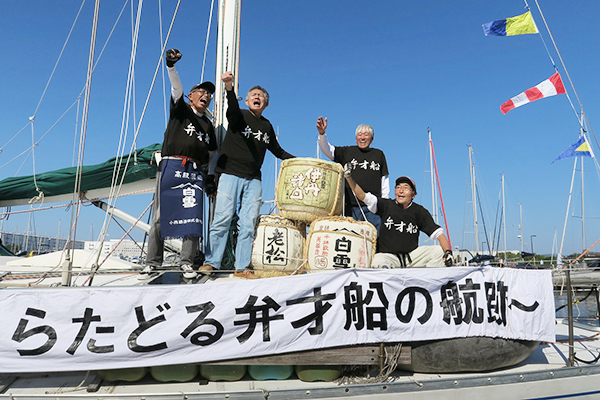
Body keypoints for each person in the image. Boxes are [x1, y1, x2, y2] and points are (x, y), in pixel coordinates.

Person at [199, 71, 295, 279]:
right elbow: (231, 109)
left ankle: (242, 267)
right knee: (222, 219)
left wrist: (299, 161)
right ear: (248, 100)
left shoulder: (267, 126)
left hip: (253, 179)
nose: (257, 97)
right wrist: (229, 88)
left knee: (248, 223)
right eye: (254, 95)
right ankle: (211, 262)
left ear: (266, 104)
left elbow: (278, 151)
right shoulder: (239, 116)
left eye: (261, 96)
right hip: (230, 174)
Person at [140, 48, 217, 280]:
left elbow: (213, 152)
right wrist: (171, 66)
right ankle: (152, 262)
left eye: (209, 94)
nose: (206, 95)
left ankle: (187, 262)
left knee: (193, 219)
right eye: (201, 91)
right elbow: (176, 89)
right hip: (172, 166)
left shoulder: (209, 127)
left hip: (194, 172)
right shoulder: (181, 110)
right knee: (159, 217)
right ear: (191, 96)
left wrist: (210, 176)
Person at [345, 169, 453, 268]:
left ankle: (428, 286)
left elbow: (439, 234)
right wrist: (349, 177)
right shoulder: (385, 205)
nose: (401, 191)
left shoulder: (419, 211)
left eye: (406, 188)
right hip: (389, 256)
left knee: (439, 252)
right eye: (398, 187)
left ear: (413, 194)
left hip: (412, 257)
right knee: (378, 262)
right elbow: (362, 196)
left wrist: (448, 252)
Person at [316, 117, 389, 231]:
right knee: (351, 239)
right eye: (359, 135)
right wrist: (322, 134)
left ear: (372, 138)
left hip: (372, 207)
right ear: (356, 138)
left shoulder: (379, 154)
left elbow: (384, 180)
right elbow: (328, 150)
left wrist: (385, 204)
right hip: (350, 207)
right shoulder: (348, 152)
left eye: (366, 134)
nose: (363, 137)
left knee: (375, 240)